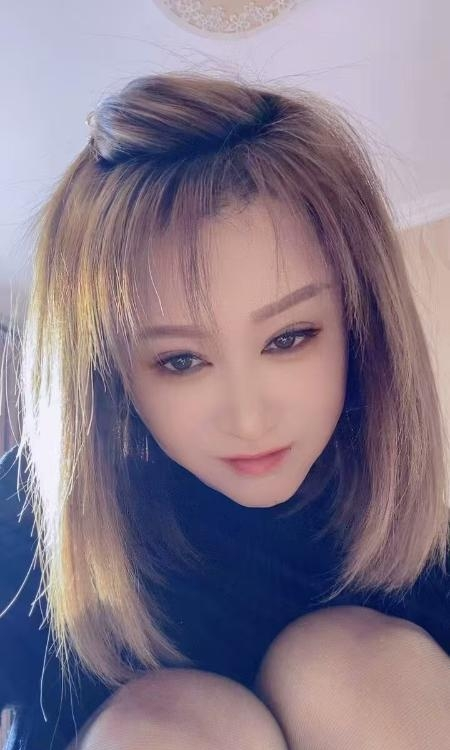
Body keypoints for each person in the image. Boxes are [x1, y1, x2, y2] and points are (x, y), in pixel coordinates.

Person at [0, 71, 449, 750]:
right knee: (172, 722)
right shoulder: (32, 519)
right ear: (109, 371)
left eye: (289, 338)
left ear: (360, 324)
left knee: (353, 669)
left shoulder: (402, 522)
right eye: (180, 361)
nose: (248, 420)